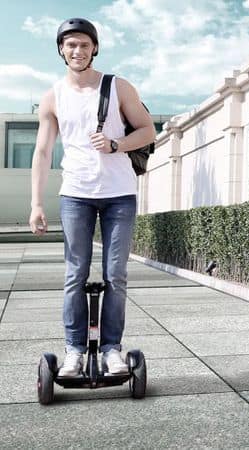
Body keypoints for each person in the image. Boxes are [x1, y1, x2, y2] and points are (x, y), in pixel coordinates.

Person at [29, 18, 156, 377]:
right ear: (60, 50)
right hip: (76, 195)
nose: (77, 51)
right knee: (75, 274)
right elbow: (42, 152)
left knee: (116, 274)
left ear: (94, 48)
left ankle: (112, 350)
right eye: (70, 45)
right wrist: (37, 203)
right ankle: (75, 351)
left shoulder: (118, 87)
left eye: (84, 45)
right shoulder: (53, 96)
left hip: (119, 194)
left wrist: (116, 144)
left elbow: (147, 130)